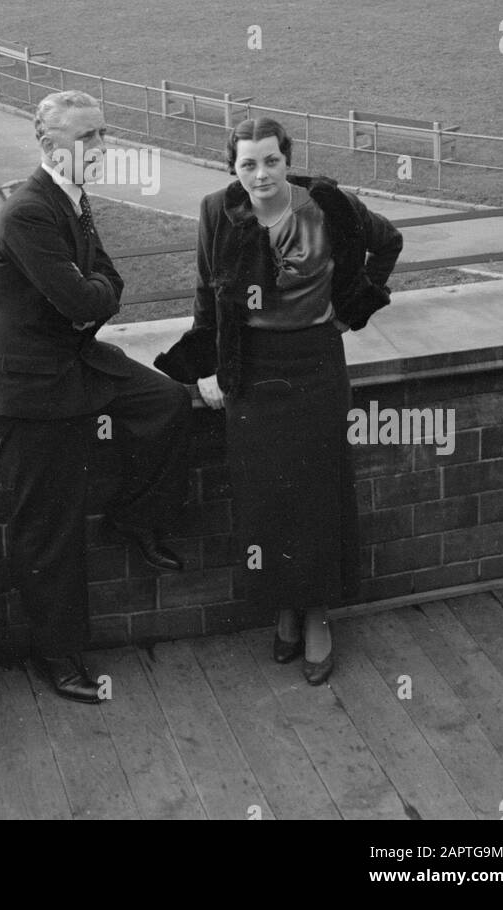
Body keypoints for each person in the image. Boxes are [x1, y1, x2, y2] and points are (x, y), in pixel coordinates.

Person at [155, 117, 403, 686]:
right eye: (248, 164)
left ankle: (316, 617)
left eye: (270, 161)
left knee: (317, 493)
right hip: (252, 369)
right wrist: (210, 366)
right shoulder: (218, 209)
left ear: (287, 159)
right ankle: (286, 609)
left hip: (315, 366)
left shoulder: (328, 204)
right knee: (268, 496)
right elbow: (204, 291)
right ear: (233, 167)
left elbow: (387, 243)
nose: (260, 174)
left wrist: (349, 312)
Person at [0, 91, 192, 704]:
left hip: (74, 361)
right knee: (50, 527)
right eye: (86, 138)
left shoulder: (74, 197)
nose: (100, 148)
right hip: (28, 389)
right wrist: (87, 298)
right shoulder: (29, 213)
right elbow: (84, 301)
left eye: (103, 133)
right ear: (49, 147)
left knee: (167, 403)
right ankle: (58, 654)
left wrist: (88, 297)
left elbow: (108, 286)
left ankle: (135, 517)